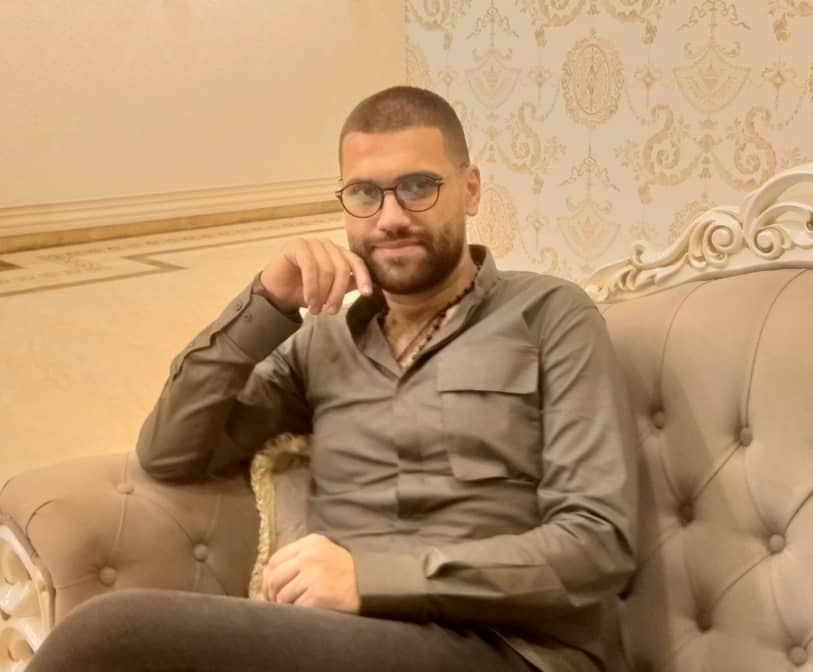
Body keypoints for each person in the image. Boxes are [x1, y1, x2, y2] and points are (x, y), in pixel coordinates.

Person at [28, 86, 638, 672]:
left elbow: (598, 544)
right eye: (365, 193)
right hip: (341, 644)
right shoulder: (321, 341)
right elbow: (169, 452)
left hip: (507, 649)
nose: (390, 217)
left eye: (418, 187)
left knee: (109, 634)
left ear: (470, 189)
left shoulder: (550, 315)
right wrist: (266, 301)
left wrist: (368, 578)